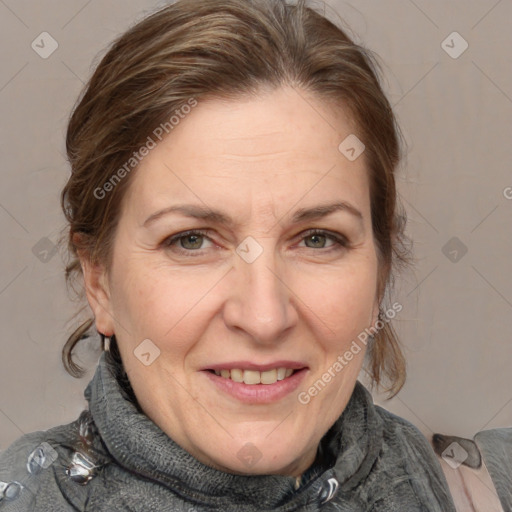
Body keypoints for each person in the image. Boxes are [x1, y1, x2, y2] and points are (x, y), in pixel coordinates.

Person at [0, 0, 462, 509]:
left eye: (317, 238)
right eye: (191, 240)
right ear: (99, 281)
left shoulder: (479, 489)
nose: (264, 318)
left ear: (381, 270)